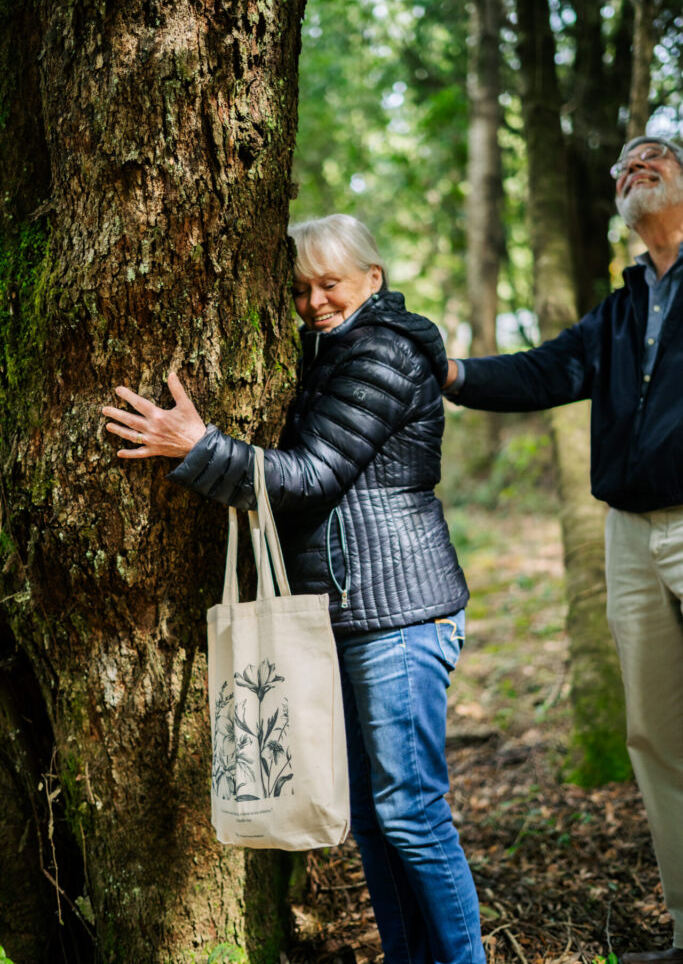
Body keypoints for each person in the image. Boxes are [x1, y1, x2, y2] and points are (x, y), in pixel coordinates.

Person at [102, 213, 486, 964]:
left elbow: (310, 479)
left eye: (330, 284)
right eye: (301, 289)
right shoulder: (325, 354)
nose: (313, 302)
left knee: (409, 813)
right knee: (374, 822)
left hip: (399, 615)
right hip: (341, 612)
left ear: (371, 280)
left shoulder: (381, 352)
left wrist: (199, 446)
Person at [442, 135, 683, 964]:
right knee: (653, 732)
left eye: (653, 155)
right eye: (622, 166)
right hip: (628, 533)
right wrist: (450, 372)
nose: (633, 166)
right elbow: (543, 372)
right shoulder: (618, 309)